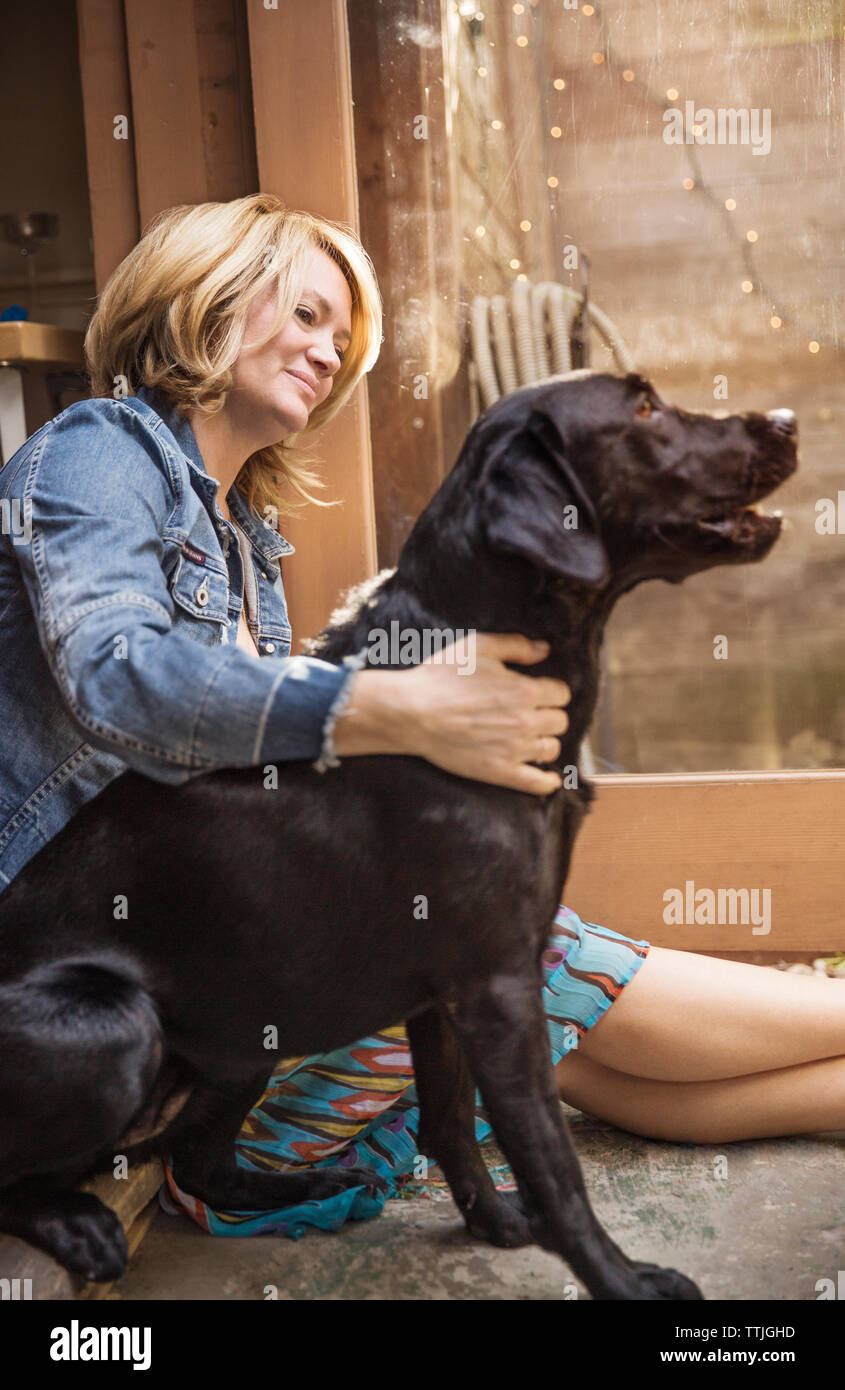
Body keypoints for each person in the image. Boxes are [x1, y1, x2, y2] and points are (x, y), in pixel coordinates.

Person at [0, 193, 842, 1244]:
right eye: (305, 314)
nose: (327, 351)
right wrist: (382, 701)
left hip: (199, 963)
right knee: (518, 959)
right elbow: (119, 677)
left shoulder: (245, 542)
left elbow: (243, 798)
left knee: (524, 993)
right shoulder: (97, 453)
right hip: (63, 977)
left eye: (341, 340)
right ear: (202, 293)